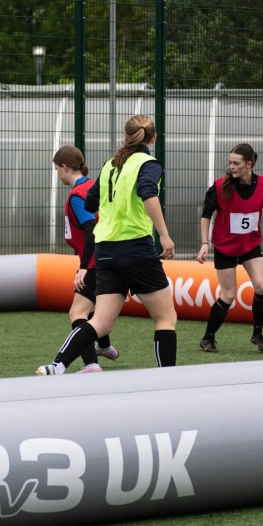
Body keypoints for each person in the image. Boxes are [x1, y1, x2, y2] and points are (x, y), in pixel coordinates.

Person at [39, 115, 178, 375]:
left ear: (125, 136)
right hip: (136, 247)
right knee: (165, 318)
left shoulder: (109, 165)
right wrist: (164, 234)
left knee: (100, 321)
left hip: (105, 251)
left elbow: (91, 202)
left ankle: (57, 365)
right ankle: (167, 380)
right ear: (154, 138)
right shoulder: (148, 165)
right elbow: (148, 192)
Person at [196, 143, 263, 354]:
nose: (231, 167)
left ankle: (257, 334)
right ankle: (208, 338)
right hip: (225, 247)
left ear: (249, 164)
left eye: (236, 163)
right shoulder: (220, 186)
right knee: (228, 294)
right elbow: (206, 215)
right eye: (230, 163)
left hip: (250, 245)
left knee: (261, 287)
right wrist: (204, 244)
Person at [39, 145, 119, 375]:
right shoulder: (94, 185)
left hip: (95, 261)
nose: (57, 174)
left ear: (65, 168)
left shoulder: (77, 196)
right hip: (110, 256)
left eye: (57, 169)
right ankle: (105, 347)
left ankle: (91, 364)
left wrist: (84, 267)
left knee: (77, 313)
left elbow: (91, 228)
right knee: (94, 307)